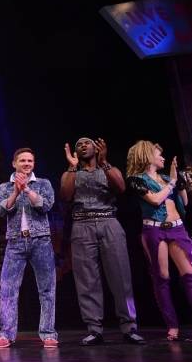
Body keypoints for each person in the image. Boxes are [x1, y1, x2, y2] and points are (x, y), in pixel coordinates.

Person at [60, 137, 145, 345]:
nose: (82, 145)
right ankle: (94, 328)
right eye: (78, 144)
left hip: (109, 222)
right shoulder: (71, 174)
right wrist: (72, 168)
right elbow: (65, 195)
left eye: (87, 143)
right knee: (87, 279)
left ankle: (129, 326)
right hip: (82, 225)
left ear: (96, 148)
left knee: (121, 275)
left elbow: (121, 187)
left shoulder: (107, 169)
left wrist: (105, 161)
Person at [126, 141, 192, 341]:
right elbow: (154, 200)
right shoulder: (136, 179)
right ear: (147, 156)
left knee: (189, 273)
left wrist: (180, 183)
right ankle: (172, 326)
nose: (163, 158)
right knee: (162, 277)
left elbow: (185, 203)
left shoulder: (166, 177)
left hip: (177, 228)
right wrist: (172, 183)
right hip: (154, 230)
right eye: (159, 154)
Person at [0, 148, 58, 348]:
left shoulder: (43, 184)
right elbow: (0, 209)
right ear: (14, 163)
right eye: (23, 160)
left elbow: (46, 205)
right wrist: (15, 191)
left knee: (46, 288)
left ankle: (48, 333)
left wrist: (27, 190)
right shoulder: (5, 187)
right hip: (15, 241)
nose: (27, 163)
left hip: (40, 240)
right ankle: (6, 334)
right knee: (8, 289)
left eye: (30, 160)